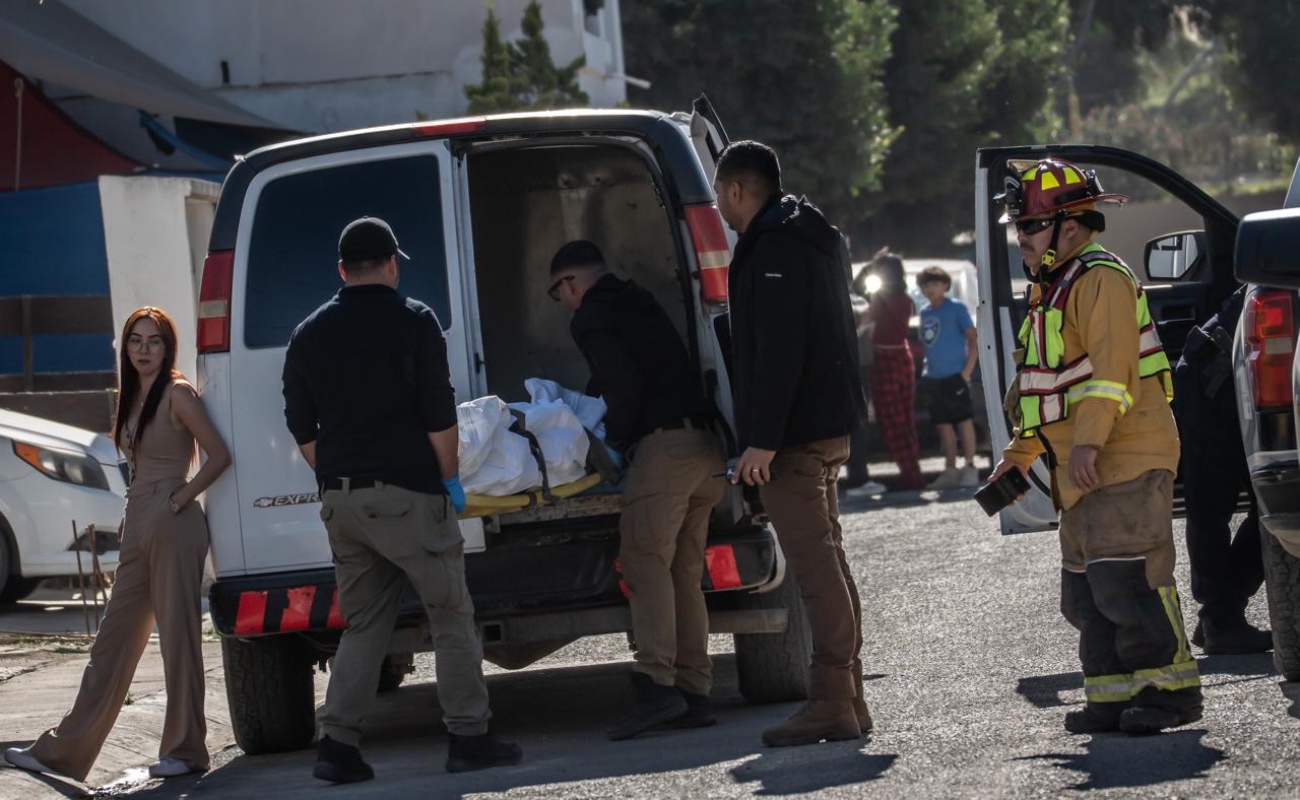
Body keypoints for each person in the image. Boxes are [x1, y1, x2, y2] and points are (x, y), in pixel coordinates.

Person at [282, 217, 520, 783]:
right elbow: (440, 414)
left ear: (342, 271)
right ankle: (470, 738)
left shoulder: (308, 332)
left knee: (364, 625)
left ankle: (337, 748)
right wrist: (448, 480)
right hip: (408, 495)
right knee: (450, 614)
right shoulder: (415, 321)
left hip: (343, 503)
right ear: (391, 264)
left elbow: (300, 424)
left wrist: (341, 475)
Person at [987, 158, 1202, 735]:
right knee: (1086, 597)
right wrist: (1016, 461)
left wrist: (1085, 447)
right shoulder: (1052, 291)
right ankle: (1110, 697)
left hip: (1122, 459)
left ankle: (1169, 693)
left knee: (1130, 583)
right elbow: (1042, 393)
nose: (1021, 240)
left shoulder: (1100, 280)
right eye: (1018, 228)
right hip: (1081, 471)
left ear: (1071, 226)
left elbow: (1111, 376)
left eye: (1029, 227)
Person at [5, 306, 232, 781]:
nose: (144, 350)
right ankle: (61, 753)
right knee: (110, 644)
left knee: (178, 639)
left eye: (154, 341)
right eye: (136, 341)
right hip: (139, 524)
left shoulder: (178, 393)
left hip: (173, 522)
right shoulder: (132, 396)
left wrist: (179, 498)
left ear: (167, 347)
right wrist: (137, 517)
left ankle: (186, 751)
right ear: (125, 348)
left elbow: (219, 455)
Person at [713, 140, 872, 747]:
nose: (724, 216)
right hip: (825, 429)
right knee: (829, 561)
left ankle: (833, 700)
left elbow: (780, 350)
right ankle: (847, 699)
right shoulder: (811, 233)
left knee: (815, 571)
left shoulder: (773, 245)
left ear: (736, 190)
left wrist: (762, 441)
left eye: (724, 200)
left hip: (797, 439)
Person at [547, 239, 726, 740]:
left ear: (571, 283)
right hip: (706, 447)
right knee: (683, 577)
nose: (561, 302)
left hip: (663, 451)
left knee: (646, 569)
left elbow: (622, 384)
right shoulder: (638, 300)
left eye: (557, 291)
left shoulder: (590, 317)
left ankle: (655, 688)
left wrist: (615, 442)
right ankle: (695, 691)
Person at [1173, 286, 1271, 654]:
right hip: (1213, 380)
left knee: (1255, 507)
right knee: (1218, 506)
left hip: (1215, 373)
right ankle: (1220, 619)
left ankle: (1217, 616)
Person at [862, 249, 924, 490]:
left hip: (883, 356)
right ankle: (912, 470)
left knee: (890, 420)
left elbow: (858, 286)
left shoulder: (878, 296)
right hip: (902, 354)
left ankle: (908, 473)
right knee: (905, 418)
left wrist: (872, 263)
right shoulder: (906, 299)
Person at [915, 265, 980, 489]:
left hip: (956, 375)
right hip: (933, 377)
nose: (929, 289)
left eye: (934, 284)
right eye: (925, 285)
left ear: (944, 285)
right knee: (943, 425)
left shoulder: (957, 309)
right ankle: (950, 469)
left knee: (964, 421)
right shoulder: (924, 313)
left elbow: (973, 339)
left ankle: (970, 466)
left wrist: (966, 373)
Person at [841, 267, 887, 495]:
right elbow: (861, 323)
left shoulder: (849, 295)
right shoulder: (849, 297)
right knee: (857, 425)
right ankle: (858, 478)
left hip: (854, 366)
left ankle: (857, 476)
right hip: (852, 367)